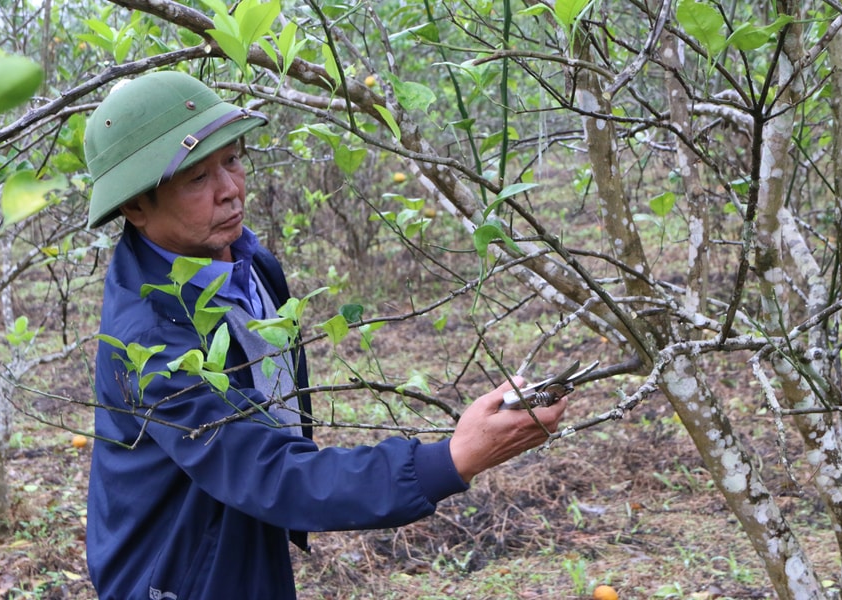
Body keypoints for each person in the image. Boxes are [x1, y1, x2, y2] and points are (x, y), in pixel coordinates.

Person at [83, 70, 568, 599]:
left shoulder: (244, 258)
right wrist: (452, 459)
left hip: (240, 529)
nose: (231, 191)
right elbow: (266, 472)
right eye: (197, 179)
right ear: (134, 207)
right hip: (177, 573)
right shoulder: (147, 344)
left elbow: (270, 440)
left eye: (233, 160)